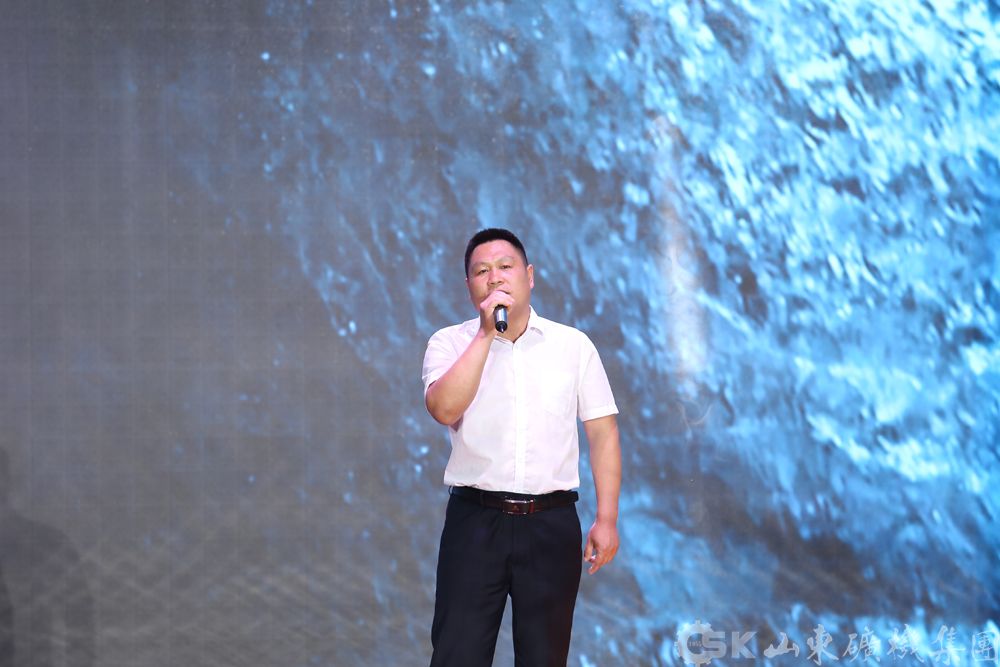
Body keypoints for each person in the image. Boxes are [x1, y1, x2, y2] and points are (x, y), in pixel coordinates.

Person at [422, 228, 622, 667]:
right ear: (469, 286)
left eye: (505, 267)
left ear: (529, 276)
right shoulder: (449, 343)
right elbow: (443, 408)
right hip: (475, 522)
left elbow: (603, 432)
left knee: (544, 657)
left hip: (550, 522)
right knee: (457, 654)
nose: (494, 278)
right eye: (482, 271)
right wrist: (484, 335)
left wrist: (606, 518)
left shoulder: (572, 346)